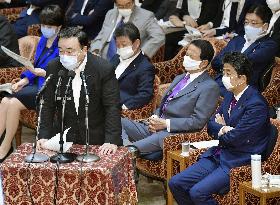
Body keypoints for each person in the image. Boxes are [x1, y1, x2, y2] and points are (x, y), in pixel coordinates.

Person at [168, 52, 272, 205]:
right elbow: (211, 124)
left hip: (239, 160)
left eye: (228, 73)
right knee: (175, 183)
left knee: (197, 192)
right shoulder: (230, 95)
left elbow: (235, 138)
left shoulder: (256, 104)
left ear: (242, 78)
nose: (224, 77)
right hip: (218, 154)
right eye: (223, 72)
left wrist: (222, 129)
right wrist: (224, 128)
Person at [122, 39, 220, 154]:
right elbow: (165, 103)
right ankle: (127, 149)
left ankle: (127, 152)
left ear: (203, 63)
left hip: (172, 133)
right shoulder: (180, 77)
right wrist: (155, 119)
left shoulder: (209, 87)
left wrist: (166, 124)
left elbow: (198, 121)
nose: (186, 58)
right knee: (118, 122)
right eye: (186, 54)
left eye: (191, 56)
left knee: (137, 147)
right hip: (153, 127)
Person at [37, 27, 122, 155]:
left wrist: (111, 140)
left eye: (70, 51)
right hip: (63, 139)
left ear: (84, 50)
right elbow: (48, 105)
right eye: (61, 51)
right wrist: (43, 135)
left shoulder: (103, 69)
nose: (65, 56)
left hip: (97, 138)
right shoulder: (54, 67)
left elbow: (112, 107)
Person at [0, 5, 63, 162]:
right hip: (37, 84)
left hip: (50, 88)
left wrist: (44, 73)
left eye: (49, 26)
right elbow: (34, 65)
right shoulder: (42, 40)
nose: (45, 29)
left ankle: (5, 148)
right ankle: (2, 145)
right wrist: (23, 80)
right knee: (4, 100)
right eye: (43, 25)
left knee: (13, 102)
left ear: (59, 27)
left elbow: (64, 71)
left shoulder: (63, 44)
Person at [212, 4, 278, 95]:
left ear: (265, 26)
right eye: (246, 22)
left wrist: (227, 62)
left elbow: (244, 63)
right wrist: (229, 66)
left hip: (242, 89)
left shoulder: (269, 45)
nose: (248, 26)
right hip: (219, 82)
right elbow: (215, 62)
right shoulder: (238, 39)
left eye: (253, 23)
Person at [90, 0, 165, 60]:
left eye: (128, 4)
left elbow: (159, 36)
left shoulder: (145, 16)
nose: (125, 8)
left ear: (133, 2)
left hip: (128, 57)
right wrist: (95, 51)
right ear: (116, 4)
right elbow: (101, 37)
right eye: (120, 6)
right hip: (103, 55)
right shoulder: (110, 13)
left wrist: (140, 54)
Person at [110, 23, 155, 110]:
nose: (120, 48)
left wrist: (124, 106)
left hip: (117, 106)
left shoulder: (145, 67)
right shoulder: (116, 58)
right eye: (118, 45)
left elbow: (145, 94)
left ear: (136, 43)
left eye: (124, 44)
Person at [198, 0, 266, 38]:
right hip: (229, 36)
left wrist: (235, 36)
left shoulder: (256, 2)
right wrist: (214, 30)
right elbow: (231, 26)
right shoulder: (234, 2)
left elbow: (253, 27)